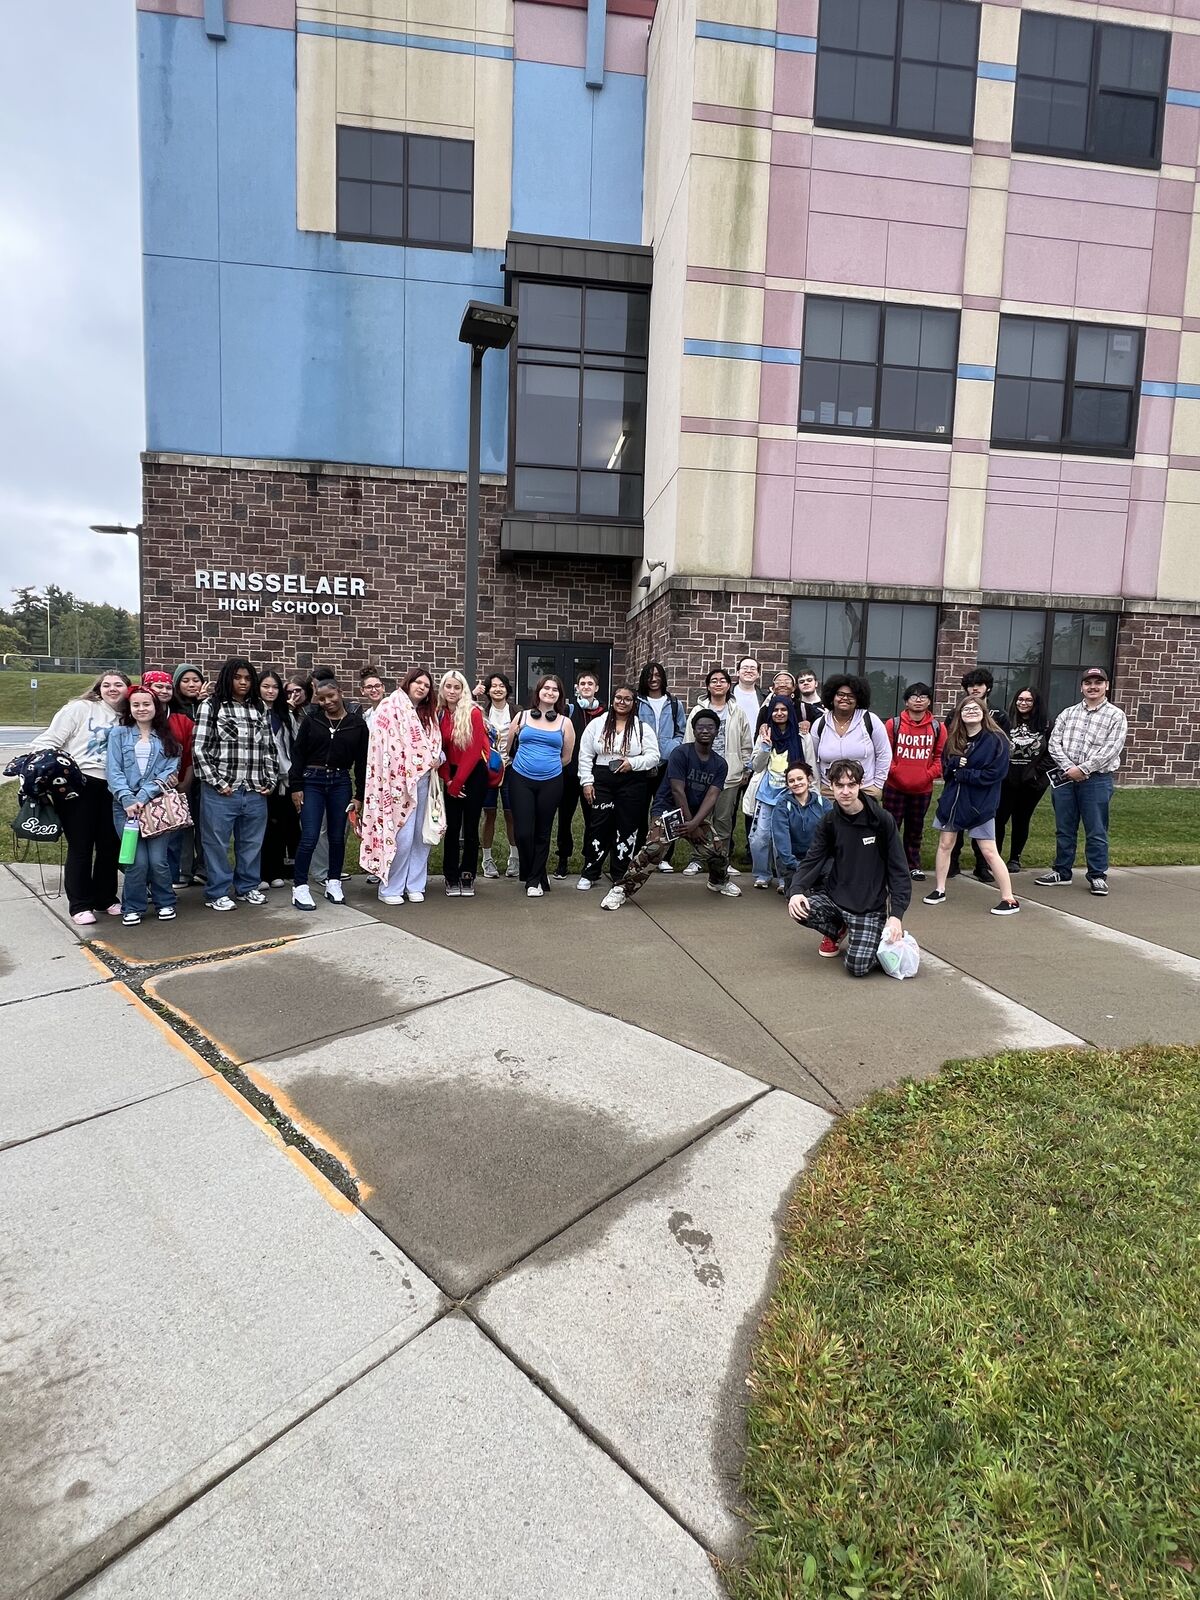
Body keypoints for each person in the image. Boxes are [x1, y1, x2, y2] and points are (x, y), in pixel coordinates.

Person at [601, 708, 740, 909]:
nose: (705, 730)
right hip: (668, 810)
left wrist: (695, 823)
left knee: (717, 851)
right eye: (701, 726)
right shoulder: (681, 753)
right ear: (694, 730)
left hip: (695, 817)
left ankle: (718, 882)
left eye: (710, 727)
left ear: (717, 731)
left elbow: (712, 796)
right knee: (654, 849)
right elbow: (677, 790)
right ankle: (621, 890)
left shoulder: (720, 764)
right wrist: (688, 823)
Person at [787, 758, 910, 976]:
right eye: (840, 785)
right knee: (799, 908)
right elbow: (812, 860)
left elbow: (898, 870)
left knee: (857, 967)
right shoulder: (829, 822)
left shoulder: (881, 820)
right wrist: (796, 891)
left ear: (860, 785)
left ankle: (872, 933)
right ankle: (838, 930)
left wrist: (896, 915)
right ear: (830, 786)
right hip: (836, 898)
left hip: (869, 907)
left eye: (851, 785)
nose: (846, 791)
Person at [29, 671, 131, 925]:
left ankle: (105, 898)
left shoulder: (128, 717)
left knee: (110, 846)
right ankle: (80, 904)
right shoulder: (80, 708)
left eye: (119, 684)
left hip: (114, 788)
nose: (112, 688)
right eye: (106, 684)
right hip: (79, 784)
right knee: (81, 846)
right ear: (98, 688)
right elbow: (47, 741)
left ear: (128, 689)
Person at [191, 657, 279, 911]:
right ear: (227, 679)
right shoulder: (212, 705)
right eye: (237, 677)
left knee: (251, 843)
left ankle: (247, 887)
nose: (243, 682)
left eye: (248, 678)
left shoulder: (259, 708)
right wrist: (217, 782)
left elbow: (269, 748)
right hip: (221, 791)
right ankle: (217, 892)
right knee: (216, 844)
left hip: (254, 790)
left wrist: (270, 780)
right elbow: (200, 749)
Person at [1036, 667, 1128, 897]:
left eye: (1098, 682)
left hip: (1096, 780)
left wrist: (1083, 769)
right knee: (1064, 829)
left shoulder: (1116, 716)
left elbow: (1111, 750)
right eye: (1088, 683)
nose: (1093, 686)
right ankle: (1062, 872)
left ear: (1106, 686)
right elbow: (1054, 743)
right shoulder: (1068, 713)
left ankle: (1097, 876)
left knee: (1096, 830)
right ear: (1082, 687)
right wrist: (1070, 769)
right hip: (1065, 779)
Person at [922, 697, 1019, 914]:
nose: (971, 712)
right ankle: (939, 889)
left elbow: (996, 773)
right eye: (966, 709)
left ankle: (1009, 899)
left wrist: (965, 774)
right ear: (960, 714)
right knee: (945, 844)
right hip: (952, 803)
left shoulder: (996, 740)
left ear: (984, 712)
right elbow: (946, 770)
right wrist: (954, 765)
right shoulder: (954, 738)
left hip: (980, 805)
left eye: (976, 708)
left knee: (989, 851)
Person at [361, 668, 443, 905]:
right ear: (407, 683)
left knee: (421, 836)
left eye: (426, 685)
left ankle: (415, 884)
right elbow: (380, 744)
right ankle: (391, 887)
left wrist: (439, 757)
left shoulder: (429, 715)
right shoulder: (389, 706)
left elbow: (436, 745)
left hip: (425, 780)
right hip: (396, 784)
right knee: (401, 836)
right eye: (418, 682)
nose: (422, 687)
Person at [288, 678, 369, 910]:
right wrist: (296, 786)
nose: (327, 702)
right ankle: (300, 887)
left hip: (340, 781)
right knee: (310, 835)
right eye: (321, 699)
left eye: (331, 696)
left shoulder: (357, 724)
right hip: (311, 780)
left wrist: (359, 795)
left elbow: (362, 763)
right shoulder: (312, 720)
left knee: (336, 836)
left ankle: (334, 882)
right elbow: (298, 754)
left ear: (340, 693)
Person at [106, 686, 182, 926]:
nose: (141, 709)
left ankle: (165, 902)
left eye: (146, 704)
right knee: (136, 861)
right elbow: (113, 770)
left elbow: (170, 770)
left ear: (155, 706)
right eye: (136, 705)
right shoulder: (118, 734)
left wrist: (144, 796)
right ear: (129, 708)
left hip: (155, 807)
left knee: (158, 861)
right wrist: (128, 799)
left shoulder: (167, 737)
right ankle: (133, 906)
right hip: (125, 809)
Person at [576, 686, 660, 890]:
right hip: (602, 779)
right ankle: (590, 871)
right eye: (618, 698)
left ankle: (620, 873)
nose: (622, 702)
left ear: (634, 703)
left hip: (632, 780)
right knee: (598, 825)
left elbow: (653, 756)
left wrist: (633, 763)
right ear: (612, 699)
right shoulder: (598, 724)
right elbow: (585, 754)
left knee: (627, 826)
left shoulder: (642, 728)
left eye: (627, 699)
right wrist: (587, 782)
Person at [506, 675, 576, 898]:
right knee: (524, 832)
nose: (550, 692)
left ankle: (533, 880)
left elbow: (566, 757)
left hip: (551, 782)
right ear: (538, 692)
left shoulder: (565, 723)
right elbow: (509, 748)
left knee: (543, 832)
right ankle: (535, 872)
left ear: (559, 695)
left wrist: (546, 767)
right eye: (546, 688)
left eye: (555, 689)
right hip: (521, 779)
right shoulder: (522, 717)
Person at [681, 667, 752, 875]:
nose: (718, 683)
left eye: (722, 680)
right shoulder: (697, 710)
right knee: (701, 818)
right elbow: (688, 740)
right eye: (714, 680)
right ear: (708, 685)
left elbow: (746, 742)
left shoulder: (737, 712)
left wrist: (745, 768)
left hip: (729, 774)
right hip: (701, 775)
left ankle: (721, 860)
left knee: (723, 820)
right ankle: (697, 859)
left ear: (729, 685)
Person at [948, 668, 1010, 882]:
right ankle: (952, 863)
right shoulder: (955, 713)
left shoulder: (999, 715)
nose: (975, 689)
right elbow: (949, 747)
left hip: (985, 780)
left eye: (979, 685)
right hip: (959, 781)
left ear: (988, 688)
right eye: (970, 685)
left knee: (984, 826)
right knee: (952, 824)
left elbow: (1003, 748)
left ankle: (982, 866)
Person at [746, 695, 813, 889]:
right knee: (760, 837)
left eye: (783, 709)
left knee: (783, 840)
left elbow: (809, 766)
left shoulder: (802, 736)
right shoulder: (765, 734)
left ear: (790, 712)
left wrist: (812, 790)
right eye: (775, 710)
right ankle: (762, 874)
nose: (779, 713)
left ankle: (785, 878)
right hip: (766, 794)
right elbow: (756, 766)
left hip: (790, 795)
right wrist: (765, 746)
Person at [881, 683, 945, 880]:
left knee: (915, 828)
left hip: (922, 789)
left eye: (923, 696)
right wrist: (896, 772)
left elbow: (940, 757)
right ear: (906, 701)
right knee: (890, 826)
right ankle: (886, 864)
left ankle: (912, 864)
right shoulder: (894, 724)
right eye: (914, 696)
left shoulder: (937, 727)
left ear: (929, 701)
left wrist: (928, 774)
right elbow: (884, 753)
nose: (918, 700)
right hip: (894, 786)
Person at [437, 669, 491, 898]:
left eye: (457, 687)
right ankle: (450, 874)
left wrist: (457, 783)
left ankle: (468, 872)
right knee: (451, 828)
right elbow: (438, 750)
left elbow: (473, 750)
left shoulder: (474, 712)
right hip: (450, 773)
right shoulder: (438, 714)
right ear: (442, 689)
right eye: (448, 686)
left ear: (463, 690)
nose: (452, 691)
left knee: (470, 827)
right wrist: (448, 779)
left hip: (473, 774)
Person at [553, 672, 606, 879]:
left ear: (596, 688)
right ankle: (563, 859)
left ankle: (589, 859)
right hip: (568, 773)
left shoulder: (604, 714)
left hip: (592, 775)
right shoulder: (567, 711)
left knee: (592, 819)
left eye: (590, 683)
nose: (586, 686)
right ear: (577, 688)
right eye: (582, 683)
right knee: (564, 818)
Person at [995, 687, 1053, 873]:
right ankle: (994, 858)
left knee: (1022, 819)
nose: (1023, 703)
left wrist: (1036, 773)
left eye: (1029, 700)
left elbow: (1053, 753)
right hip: (1006, 779)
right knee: (999, 819)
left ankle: (1015, 858)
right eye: (1020, 699)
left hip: (1032, 783)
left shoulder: (1046, 725)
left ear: (1036, 703)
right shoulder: (1006, 721)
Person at [636, 661, 689, 863]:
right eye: (650, 675)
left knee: (668, 810)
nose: (654, 679)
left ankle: (665, 856)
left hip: (667, 764)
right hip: (642, 763)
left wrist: (671, 747)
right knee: (639, 809)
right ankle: (641, 850)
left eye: (658, 675)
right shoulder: (637, 701)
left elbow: (681, 731)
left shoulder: (674, 703)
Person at [810, 675, 892, 797]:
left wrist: (877, 785)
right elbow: (813, 758)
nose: (845, 698)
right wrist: (819, 785)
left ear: (858, 699)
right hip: (829, 791)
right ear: (832, 697)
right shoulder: (820, 724)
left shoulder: (871, 721)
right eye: (840, 694)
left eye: (851, 696)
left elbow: (884, 754)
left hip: (864, 789)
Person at [476, 672, 519, 880]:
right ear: (487, 689)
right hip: (488, 768)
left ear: (507, 689)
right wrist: (472, 695)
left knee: (512, 813)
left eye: (501, 685)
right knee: (489, 813)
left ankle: (515, 858)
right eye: (493, 686)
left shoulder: (517, 712)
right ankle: (487, 859)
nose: (497, 689)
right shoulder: (481, 711)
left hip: (511, 768)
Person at [259, 669, 300, 888]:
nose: (270, 691)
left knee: (280, 827)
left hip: (285, 780)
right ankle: (260, 873)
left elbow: (295, 745)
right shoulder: (253, 712)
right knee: (261, 828)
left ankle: (276, 872)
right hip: (263, 780)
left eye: (274, 687)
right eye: (266, 686)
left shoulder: (285, 715)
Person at [770, 762, 827, 888]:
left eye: (800, 778)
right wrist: (795, 864)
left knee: (827, 891)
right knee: (798, 894)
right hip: (793, 862)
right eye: (791, 781)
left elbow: (833, 835)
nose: (796, 783)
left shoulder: (824, 804)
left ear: (809, 779)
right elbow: (781, 839)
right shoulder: (782, 806)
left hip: (819, 860)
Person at [731, 656, 763, 730]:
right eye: (745, 668)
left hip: (756, 740)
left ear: (758, 674)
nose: (748, 671)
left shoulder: (765, 698)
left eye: (753, 668)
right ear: (738, 672)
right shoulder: (727, 695)